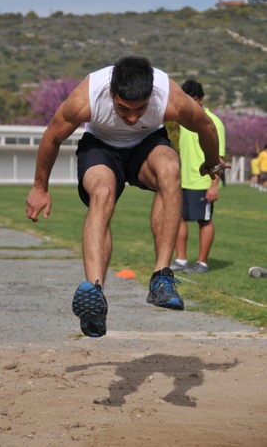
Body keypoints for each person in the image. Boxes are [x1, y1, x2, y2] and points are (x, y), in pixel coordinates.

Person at [26, 56, 229, 338]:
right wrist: (40, 187)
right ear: (111, 92)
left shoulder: (170, 96)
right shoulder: (86, 97)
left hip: (147, 145)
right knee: (102, 192)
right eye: (123, 109)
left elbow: (205, 125)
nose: (132, 117)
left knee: (170, 168)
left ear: (151, 96)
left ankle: (161, 279)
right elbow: (52, 137)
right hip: (100, 147)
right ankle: (95, 299)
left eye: (140, 109)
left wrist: (212, 163)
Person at [170, 80, 226, 274]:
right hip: (183, 181)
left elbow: (220, 158)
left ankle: (202, 263)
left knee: (204, 220)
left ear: (201, 99)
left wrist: (214, 185)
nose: (190, 103)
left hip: (203, 182)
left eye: (193, 99)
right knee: (178, 219)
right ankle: (181, 260)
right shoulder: (185, 122)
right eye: (186, 99)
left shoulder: (213, 122)